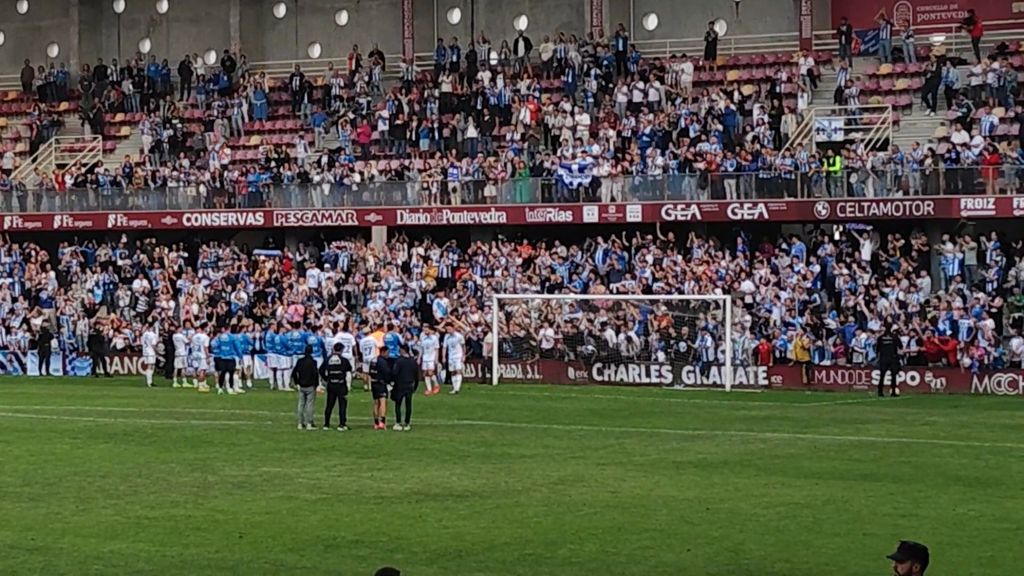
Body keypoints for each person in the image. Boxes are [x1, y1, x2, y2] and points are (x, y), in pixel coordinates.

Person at [321, 343, 353, 431]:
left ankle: (326, 424)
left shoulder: (328, 359)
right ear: (342, 350)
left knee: (329, 405)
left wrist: (327, 378)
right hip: (341, 384)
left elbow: (321, 370)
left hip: (331, 384)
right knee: (342, 405)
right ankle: (342, 424)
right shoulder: (344, 360)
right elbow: (349, 371)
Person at [391, 345, 419, 431]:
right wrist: (415, 386)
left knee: (398, 404)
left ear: (403, 350)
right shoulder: (413, 361)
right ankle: (407, 423)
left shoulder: (399, 361)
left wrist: (393, 383)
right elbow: (417, 375)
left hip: (400, 385)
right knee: (408, 404)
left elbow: (395, 373)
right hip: (410, 385)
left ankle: (398, 422)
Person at [293, 345, 319, 430]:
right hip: (310, 385)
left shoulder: (300, 361)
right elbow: (315, 374)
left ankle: (300, 423)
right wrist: (316, 384)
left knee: (301, 405)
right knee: (309, 405)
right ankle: (309, 423)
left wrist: (297, 382)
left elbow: (294, 372)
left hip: (301, 385)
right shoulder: (313, 362)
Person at [876, 324, 902, 397]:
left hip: (883, 358)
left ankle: (880, 391)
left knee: (882, 375)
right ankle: (893, 391)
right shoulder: (894, 337)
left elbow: (877, 349)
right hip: (892, 358)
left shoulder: (880, 338)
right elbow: (900, 346)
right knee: (893, 375)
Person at [370, 351, 392, 430]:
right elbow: (387, 372)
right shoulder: (383, 362)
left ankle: (376, 423)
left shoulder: (373, 360)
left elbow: (370, 372)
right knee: (383, 402)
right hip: (381, 383)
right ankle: (382, 422)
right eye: (387, 353)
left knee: (376, 403)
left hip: (374, 383)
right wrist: (389, 381)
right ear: (383, 352)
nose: (388, 355)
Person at [419, 325, 441, 395]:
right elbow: (421, 349)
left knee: (430, 372)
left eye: (426, 330)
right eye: (424, 330)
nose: (425, 331)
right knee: (425, 373)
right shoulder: (423, 338)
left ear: (430, 330)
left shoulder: (434, 338)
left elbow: (436, 349)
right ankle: (429, 389)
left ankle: (436, 385)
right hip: (425, 358)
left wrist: (436, 359)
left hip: (431, 358)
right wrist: (419, 357)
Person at [140, 322, 159, 388]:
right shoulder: (152, 335)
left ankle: (150, 381)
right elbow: (153, 344)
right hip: (151, 352)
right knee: (150, 366)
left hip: (145, 351)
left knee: (151, 366)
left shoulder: (144, 334)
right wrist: (157, 351)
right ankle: (149, 382)